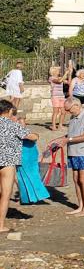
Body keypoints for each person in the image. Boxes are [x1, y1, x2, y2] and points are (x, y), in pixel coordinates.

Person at [0, 99, 39, 233]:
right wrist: (36, 135)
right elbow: (31, 136)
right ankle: (0, 225)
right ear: (10, 111)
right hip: (8, 162)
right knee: (5, 195)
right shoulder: (12, 125)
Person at [59, 97, 84, 216]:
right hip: (74, 151)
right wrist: (62, 139)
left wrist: (68, 139)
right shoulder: (73, 117)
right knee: (76, 179)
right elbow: (73, 133)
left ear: (76, 106)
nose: (67, 112)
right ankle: (80, 206)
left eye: (68, 110)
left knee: (83, 179)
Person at [48, 66, 66, 131]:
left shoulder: (60, 77)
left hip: (62, 97)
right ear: (54, 71)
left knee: (63, 112)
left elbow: (68, 82)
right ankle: (53, 126)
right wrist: (66, 73)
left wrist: (70, 73)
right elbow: (59, 81)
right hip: (55, 97)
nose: (59, 71)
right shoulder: (51, 78)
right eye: (58, 70)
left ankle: (60, 125)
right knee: (56, 112)